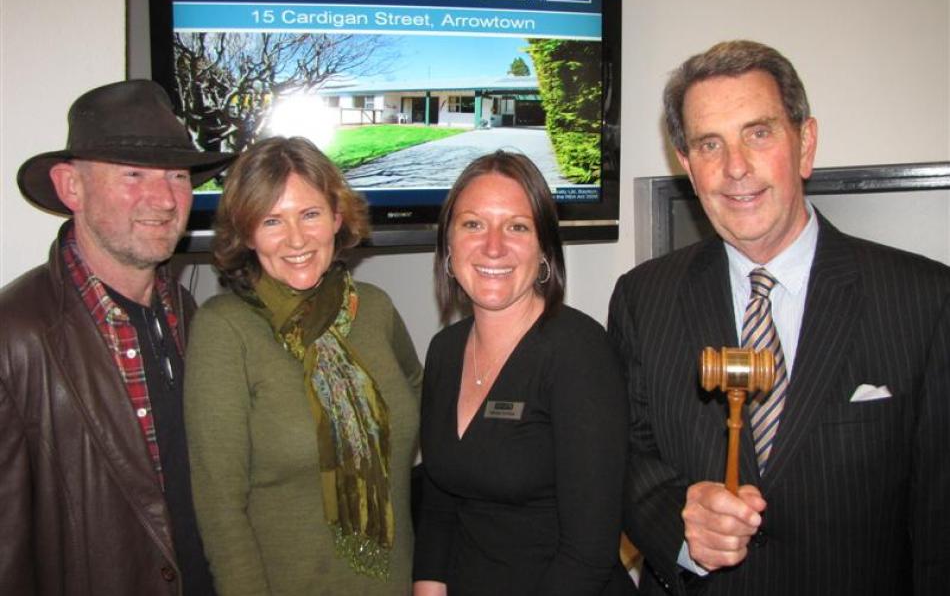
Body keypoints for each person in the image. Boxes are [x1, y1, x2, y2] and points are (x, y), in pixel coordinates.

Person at [607, 39, 950, 595]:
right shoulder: (642, 299)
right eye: (709, 144)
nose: (735, 168)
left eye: (758, 133)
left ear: (805, 143)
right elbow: (626, 455)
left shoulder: (924, 299)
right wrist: (680, 523)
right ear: (688, 167)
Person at [0, 80, 234, 595]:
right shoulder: (14, 337)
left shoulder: (192, 314)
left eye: (176, 175)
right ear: (71, 188)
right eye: (132, 174)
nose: (163, 198)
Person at [184, 136, 423, 595]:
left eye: (310, 214)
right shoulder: (224, 330)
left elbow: (416, 390)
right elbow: (219, 508)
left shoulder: (374, 309)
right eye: (272, 220)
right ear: (247, 233)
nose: (296, 239)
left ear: (337, 217)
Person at [413, 151, 636, 595]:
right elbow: (439, 502)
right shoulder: (444, 350)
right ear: (448, 247)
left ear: (544, 251)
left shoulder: (578, 352)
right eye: (473, 224)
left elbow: (588, 552)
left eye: (517, 226)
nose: (493, 246)